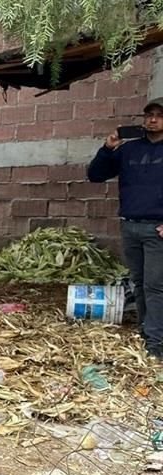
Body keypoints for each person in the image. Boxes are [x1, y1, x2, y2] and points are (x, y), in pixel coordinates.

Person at [88, 97, 163, 360]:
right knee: (141, 284)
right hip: (130, 226)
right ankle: (146, 330)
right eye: (149, 115)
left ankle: (157, 344)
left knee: (156, 286)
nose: (152, 119)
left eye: (159, 115)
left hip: (158, 230)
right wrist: (108, 149)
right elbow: (95, 175)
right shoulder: (129, 150)